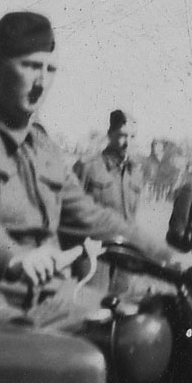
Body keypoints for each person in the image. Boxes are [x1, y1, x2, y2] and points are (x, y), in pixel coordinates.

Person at [0, 11, 175, 330]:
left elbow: (93, 217)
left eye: (50, 69)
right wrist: (13, 255)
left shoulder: (44, 149)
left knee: (135, 329)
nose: (42, 82)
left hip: (43, 296)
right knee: (41, 354)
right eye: (30, 66)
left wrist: (170, 259)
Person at [73, 109, 143, 295]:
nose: (127, 143)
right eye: (122, 135)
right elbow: (66, 210)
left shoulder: (135, 173)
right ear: (110, 133)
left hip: (124, 260)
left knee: (122, 314)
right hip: (94, 257)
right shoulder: (88, 167)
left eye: (133, 137)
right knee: (91, 313)